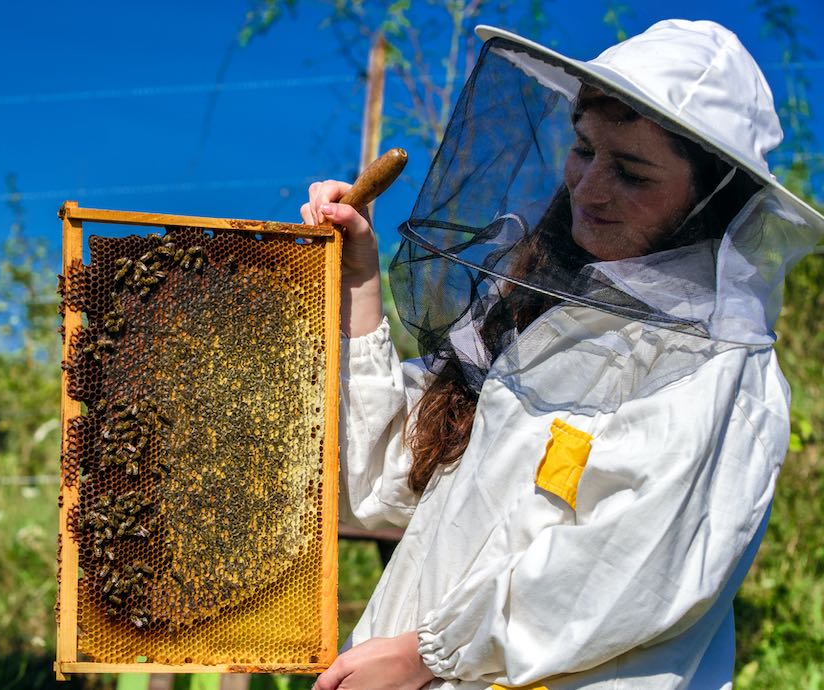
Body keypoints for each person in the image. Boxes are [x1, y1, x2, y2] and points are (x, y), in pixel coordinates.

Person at [302, 19, 823, 689]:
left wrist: (424, 654)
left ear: (713, 199)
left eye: (631, 172)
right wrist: (359, 280)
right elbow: (389, 479)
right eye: (583, 149)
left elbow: (618, 576)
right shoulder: (534, 315)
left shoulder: (719, 379)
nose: (589, 186)